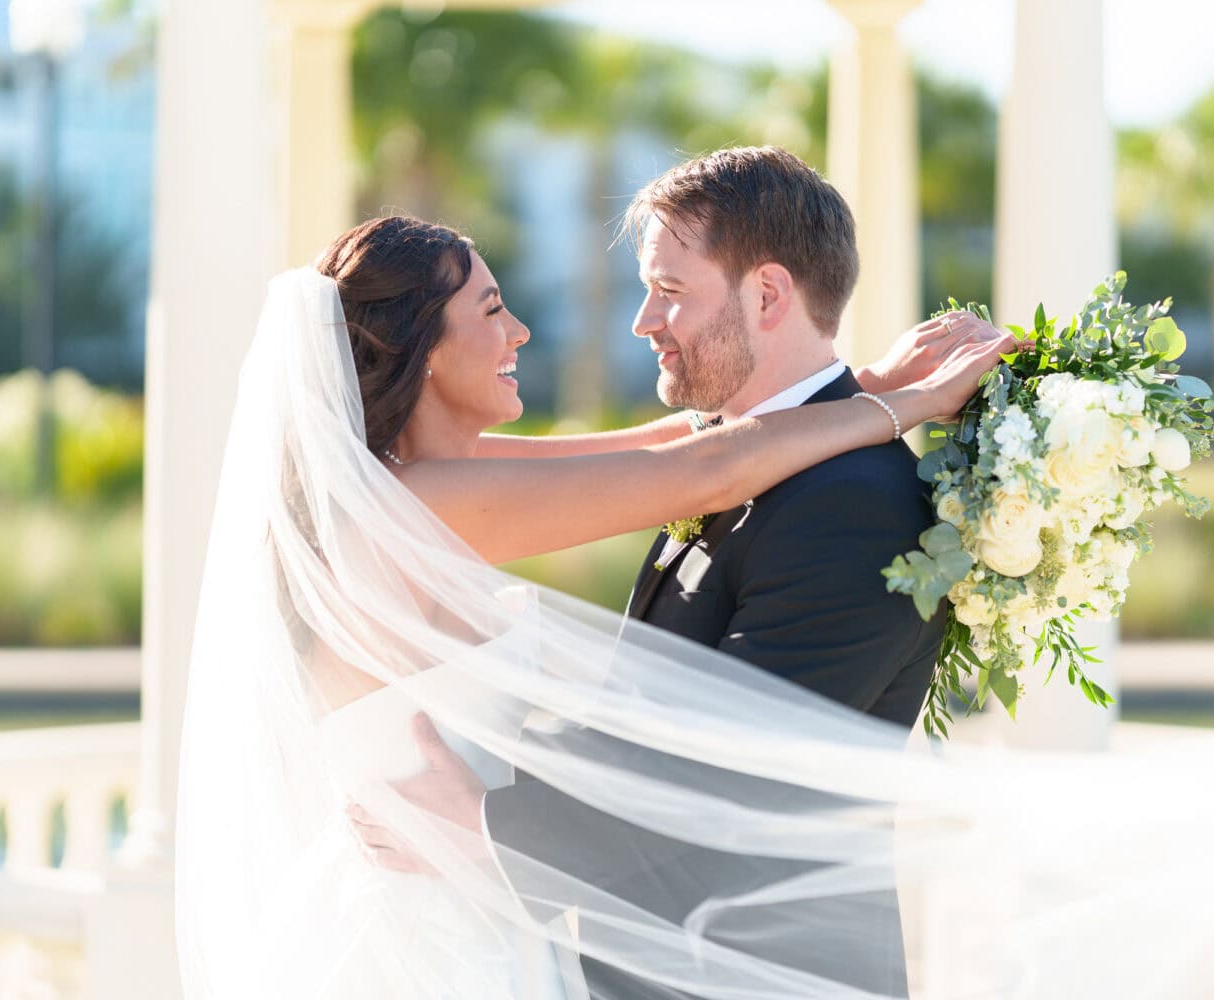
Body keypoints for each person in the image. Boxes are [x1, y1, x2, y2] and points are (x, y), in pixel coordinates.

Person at [174, 206, 1007, 1000]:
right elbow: (701, 475)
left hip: (482, 897)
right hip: (426, 921)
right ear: (421, 345)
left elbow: (677, 442)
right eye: (493, 310)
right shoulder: (410, 507)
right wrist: (907, 407)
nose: (520, 333)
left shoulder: (418, 484)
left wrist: (857, 385)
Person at [354, 146, 962, 998]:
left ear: (769, 295)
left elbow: (728, 767)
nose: (642, 320)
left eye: (669, 292)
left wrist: (487, 828)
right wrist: (876, 399)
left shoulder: (853, 499)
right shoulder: (725, 466)